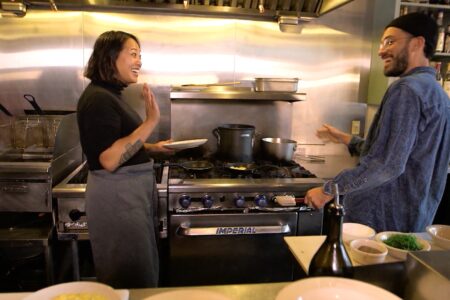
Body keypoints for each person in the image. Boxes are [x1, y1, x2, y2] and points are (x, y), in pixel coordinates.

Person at [305, 13, 450, 233]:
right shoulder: (436, 93)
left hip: (377, 222)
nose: (382, 51)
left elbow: (386, 164)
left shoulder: (406, 90)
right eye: (382, 43)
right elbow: (397, 151)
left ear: (417, 43)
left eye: (390, 41)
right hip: (410, 221)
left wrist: (329, 190)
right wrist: (343, 137)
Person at [77, 31, 172, 288]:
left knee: (138, 270)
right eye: (132, 54)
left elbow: (118, 144)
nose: (139, 61)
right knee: (129, 276)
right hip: (117, 199)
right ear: (110, 57)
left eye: (140, 55)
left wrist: (151, 148)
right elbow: (109, 158)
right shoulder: (98, 99)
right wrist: (151, 122)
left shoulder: (109, 95)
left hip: (127, 198)